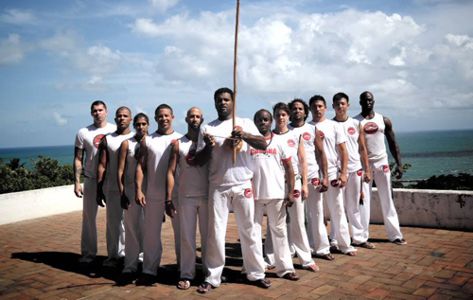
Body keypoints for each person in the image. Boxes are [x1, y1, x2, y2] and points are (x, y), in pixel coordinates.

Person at [195, 87, 271, 293]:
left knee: (250, 229)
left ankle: (256, 273)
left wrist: (243, 135)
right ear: (214, 102)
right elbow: (199, 161)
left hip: (242, 183)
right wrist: (209, 148)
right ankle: (213, 276)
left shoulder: (244, 122)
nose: (223, 103)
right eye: (219, 100)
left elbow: (263, 144)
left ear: (233, 101)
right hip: (218, 185)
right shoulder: (207, 128)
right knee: (215, 232)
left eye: (226, 99)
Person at [135, 104, 183, 284]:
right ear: (155, 119)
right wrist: (139, 189)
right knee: (151, 234)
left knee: (181, 233)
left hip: (177, 195)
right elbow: (140, 166)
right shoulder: (147, 140)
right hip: (153, 193)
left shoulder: (181, 139)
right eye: (160, 116)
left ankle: (182, 267)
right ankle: (149, 269)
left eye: (166, 115)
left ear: (173, 117)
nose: (163, 119)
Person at [250, 109, 299, 281]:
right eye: (259, 120)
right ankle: (255, 267)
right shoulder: (249, 142)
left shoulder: (279, 141)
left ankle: (285, 268)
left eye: (265, 119)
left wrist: (291, 192)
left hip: (277, 193)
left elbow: (289, 168)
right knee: (253, 233)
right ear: (254, 122)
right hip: (254, 195)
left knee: (279, 232)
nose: (263, 122)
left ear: (270, 122)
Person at [273, 100, 321, 270]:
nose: (281, 117)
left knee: (298, 222)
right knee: (276, 222)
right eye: (277, 114)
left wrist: (305, 185)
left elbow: (302, 161)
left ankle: (306, 259)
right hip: (276, 183)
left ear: (288, 116)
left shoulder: (296, 135)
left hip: (296, 182)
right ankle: (273, 258)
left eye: (284, 114)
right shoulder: (270, 137)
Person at [354, 91, 406, 245]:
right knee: (363, 202)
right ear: (360, 102)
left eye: (370, 100)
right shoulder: (355, 122)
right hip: (364, 167)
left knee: (387, 199)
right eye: (364, 100)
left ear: (374, 101)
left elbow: (393, 143)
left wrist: (399, 164)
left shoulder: (384, 120)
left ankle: (395, 235)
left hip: (382, 164)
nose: (367, 103)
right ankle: (362, 237)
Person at [166, 107, 209, 290]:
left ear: (202, 119)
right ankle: (186, 273)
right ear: (186, 119)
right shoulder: (177, 143)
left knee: (209, 238)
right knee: (187, 238)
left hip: (207, 196)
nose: (194, 119)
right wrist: (168, 198)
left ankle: (210, 274)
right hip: (185, 197)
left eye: (198, 116)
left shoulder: (209, 142)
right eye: (191, 116)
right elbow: (170, 171)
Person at [309, 95, 357, 256]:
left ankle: (345, 245)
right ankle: (321, 248)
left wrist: (343, 173)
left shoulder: (334, 126)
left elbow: (344, 151)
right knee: (316, 213)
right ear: (310, 109)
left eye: (320, 106)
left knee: (338, 210)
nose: (317, 109)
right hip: (314, 176)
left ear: (325, 108)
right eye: (314, 106)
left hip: (332, 174)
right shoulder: (307, 128)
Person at [287, 99, 331, 262]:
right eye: (294, 108)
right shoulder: (284, 130)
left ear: (305, 112)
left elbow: (321, 154)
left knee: (316, 213)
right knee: (293, 216)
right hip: (293, 179)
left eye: (300, 108)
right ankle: (292, 249)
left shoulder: (313, 129)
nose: (297, 111)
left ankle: (321, 248)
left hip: (313, 177)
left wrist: (325, 177)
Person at [74, 100, 116, 264]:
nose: (97, 113)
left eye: (100, 110)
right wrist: (77, 182)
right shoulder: (83, 132)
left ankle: (115, 255)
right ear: (91, 113)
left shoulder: (115, 130)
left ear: (106, 111)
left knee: (115, 219)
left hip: (111, 180)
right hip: (91, 179)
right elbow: (78, 158)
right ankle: (88, 253)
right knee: (88, 217)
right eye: (94, 111)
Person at [332, 93, 374, 249]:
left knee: (354, 206)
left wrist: (367, 170)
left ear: (348, 105)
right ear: (333, 106)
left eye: (343, 103)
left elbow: (362, 148)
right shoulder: (330, 125)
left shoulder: (356, 124)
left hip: (355, 169)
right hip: (337, 171)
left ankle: (359, 238)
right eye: (337, 104)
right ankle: (336, 240)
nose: (340, 106)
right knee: (338, 207)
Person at [96, 106, 134, 268]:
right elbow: (102, 165)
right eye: (119, 116)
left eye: (125, 116)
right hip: (112, 188)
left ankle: (135, 254)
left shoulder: (137, 137)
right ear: (115, 118)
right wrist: (99, 189)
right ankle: (113, 255)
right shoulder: (107, 139)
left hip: (132, 189)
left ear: (130, 119)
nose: (122, 118)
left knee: (133, 223)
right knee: (113, 224)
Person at [117, 112, 149, 277]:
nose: (141, 127)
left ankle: (146, 261)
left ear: (148, 125)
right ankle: (130, 264)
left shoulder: (153, 142)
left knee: (148, 228)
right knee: (130, 228)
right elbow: (120, 170)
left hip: (149, 190)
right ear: (134, 126)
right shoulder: (126, 144)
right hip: (130, 190)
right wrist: (122, 193)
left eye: (144, 124)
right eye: (138, 124)